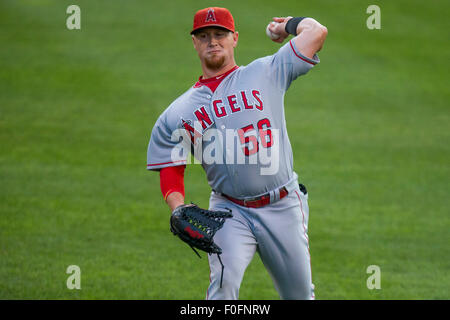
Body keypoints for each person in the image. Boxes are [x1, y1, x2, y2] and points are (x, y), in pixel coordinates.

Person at [147, 7, 327, 300]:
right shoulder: (178, 112)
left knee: (299, 296)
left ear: (235, 38)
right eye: (203, 36)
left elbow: (317, 32)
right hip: (228, 212)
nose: (212, 41)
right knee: (222, 289)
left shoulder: (267, 71)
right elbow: (171, 166)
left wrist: (287, 26)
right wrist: (177, 207)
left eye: (220, 34)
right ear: (194, 43)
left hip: (282, 205)